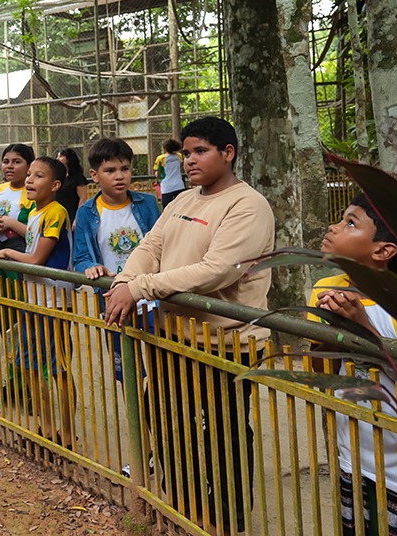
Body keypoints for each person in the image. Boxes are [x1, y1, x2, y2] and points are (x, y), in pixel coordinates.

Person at [103, 116, 274, 534]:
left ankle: (227, 518)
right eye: (187, 152)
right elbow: (152, 245)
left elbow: (217, 271)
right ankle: (184, 502)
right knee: (163, 417)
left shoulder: (247, 205)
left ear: (227, 153)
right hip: (171, 335)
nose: (190, 160)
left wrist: (140, 286)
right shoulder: (183, 201)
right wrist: (127, 279)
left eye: (201, 151)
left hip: (225, 343)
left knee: (224, 432)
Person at [310, 193, 397, 536]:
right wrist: (331, 331)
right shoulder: (326, 289)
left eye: (350, 222)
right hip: (354, 458)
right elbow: (322, 373)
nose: (334, 227)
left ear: (382, 250)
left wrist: (363, 327)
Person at [0, 157, 73, 440]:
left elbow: (37, 258)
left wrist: (6, 253)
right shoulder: (35, 212)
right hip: (34, 299)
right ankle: (45, 429)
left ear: (55, 184)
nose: (30, 180)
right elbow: (32, 241)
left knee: (59, 370)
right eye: (30, 175)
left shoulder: (56, 212)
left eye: (39, 176)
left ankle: (67, 434)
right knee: (30, 366)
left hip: (54, 301)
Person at [72, 137, 161, 382]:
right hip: (114, 301)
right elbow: (80, 256)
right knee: (127, 371)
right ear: (95, 175)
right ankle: (139, 420)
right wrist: (90, 266)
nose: (119, 176)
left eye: (125, 169)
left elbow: (163, 245)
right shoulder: (87, 212)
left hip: (151, 298)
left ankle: (158, 417)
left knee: (163, 366)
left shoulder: (149, 204)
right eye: (110, 170)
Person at [0, 144, 35, 290]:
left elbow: (37, 234)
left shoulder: (33, 192)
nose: (10, 166)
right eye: (6, 162)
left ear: (29, 166)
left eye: (17, 162)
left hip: (21, 260)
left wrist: (11, 224)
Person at [54, 148, 88, 227]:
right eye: (58, 156)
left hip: (72, 214)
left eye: (61, 156)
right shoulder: (58, 176)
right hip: (58, 214)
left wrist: (77, 219)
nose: (57, 158)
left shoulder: (78, 177)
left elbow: (83, 198)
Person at [154, 138, 186, 208]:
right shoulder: (179, 155)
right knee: (182, 207)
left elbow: (158, 174)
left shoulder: (160, 158)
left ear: (165, 148)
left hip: (167, 187)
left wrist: (157, 175)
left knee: (167, 208)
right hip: (179, 185)